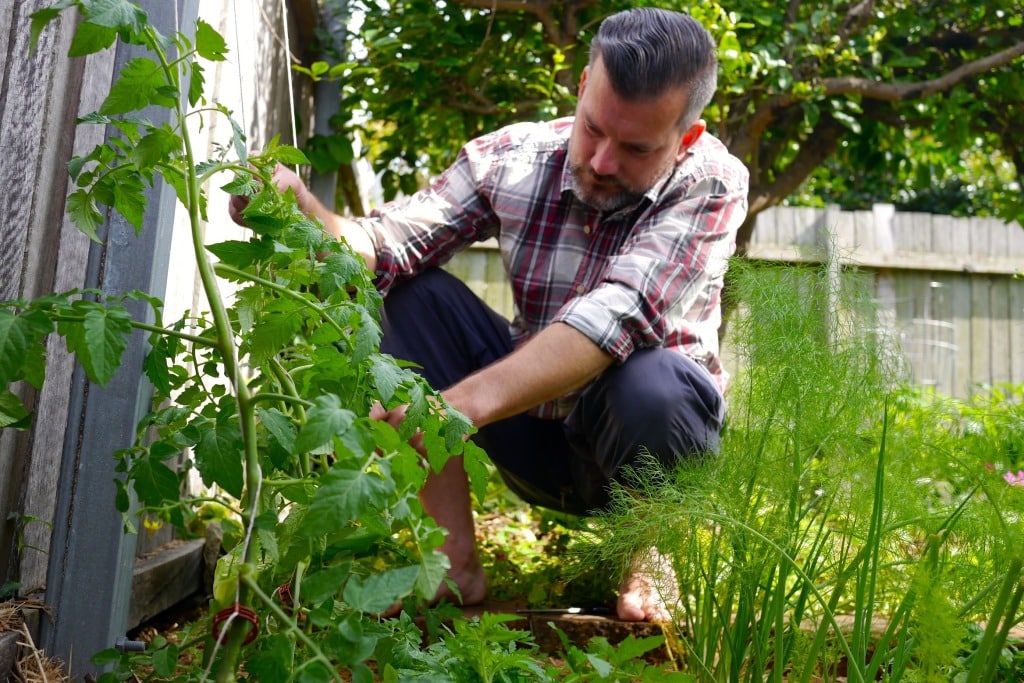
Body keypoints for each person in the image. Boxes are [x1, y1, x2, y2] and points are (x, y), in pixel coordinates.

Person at [232, 7, 749, 622]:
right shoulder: (512, 157)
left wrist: (452, 409)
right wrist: (305, 212)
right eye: (593, 130)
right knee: (406, 294)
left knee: (657, 382)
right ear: (583, 88)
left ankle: (652, 560)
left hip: (641, 443)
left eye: (636, 147)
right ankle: (453, 565)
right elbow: (389, 243)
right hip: (530, 436)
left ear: (685, 138)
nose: (604, 161)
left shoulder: (711, 181)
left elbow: (618, 316)